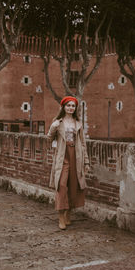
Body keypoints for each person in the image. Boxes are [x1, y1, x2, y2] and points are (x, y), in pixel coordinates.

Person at [47, 96, 90, 230]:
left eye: (73, 106)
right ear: (63, 107)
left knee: (73, 186)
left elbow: (83, 144)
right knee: (61, 185)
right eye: (68, 105)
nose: (70, 108)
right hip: (62, 156)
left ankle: (68, 214)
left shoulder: (78, 123)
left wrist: (86, 162)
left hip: (76, 156)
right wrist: (53, 128)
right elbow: (49, 139)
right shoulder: (58, 122)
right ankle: (60, 217)